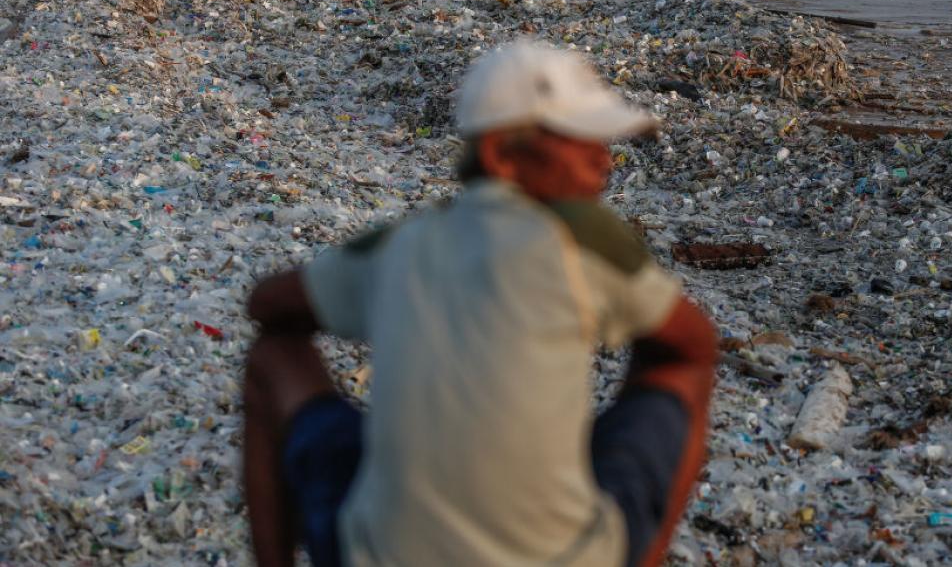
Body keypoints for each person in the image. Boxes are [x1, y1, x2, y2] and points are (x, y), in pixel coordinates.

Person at [242, 40, 718, 567]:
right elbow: (695, 343)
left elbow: (267, 305)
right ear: (500, 154)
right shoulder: (579, 232)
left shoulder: (405, 241)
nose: (603, 160)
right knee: (682, 369)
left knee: (272, 356)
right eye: (581, 142)